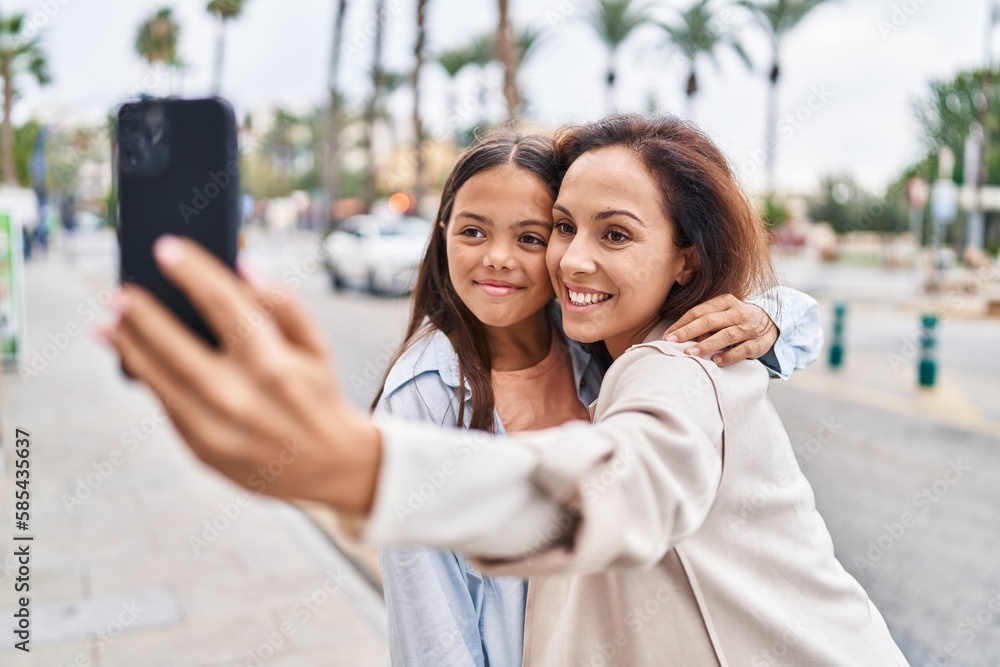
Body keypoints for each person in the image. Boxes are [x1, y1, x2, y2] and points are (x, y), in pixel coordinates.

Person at [99, 114, 907, 665]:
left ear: (687, 259)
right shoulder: (440, 389)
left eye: (607, 233)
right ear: (440, 232)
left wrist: (364, 468)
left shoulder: (662, 360)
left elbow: (625, 485)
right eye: (563, 227)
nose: (565, 259)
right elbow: (432, 633)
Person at [371, 131, 821, 666]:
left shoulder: (592, 339)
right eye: (472, 231)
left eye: (534, 237)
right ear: (441, 233)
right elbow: (431, 632)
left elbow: (791, 322)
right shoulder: (423, 398)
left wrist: (766, 316)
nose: (497, 258)